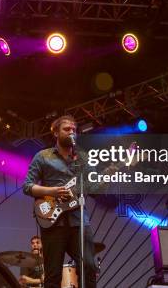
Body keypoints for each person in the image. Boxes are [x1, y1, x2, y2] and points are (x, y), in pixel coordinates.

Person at [23, 115, 97, 288]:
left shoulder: (83, 158)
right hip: (52, 222)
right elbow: (27, 186)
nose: (72, 132)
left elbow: (94, 187)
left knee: (89, 266)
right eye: (67, 129)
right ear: (55, 132)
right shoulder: (43, 156)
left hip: (79, 221)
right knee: (53, 274)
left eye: (74, 130)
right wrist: (52, 192)